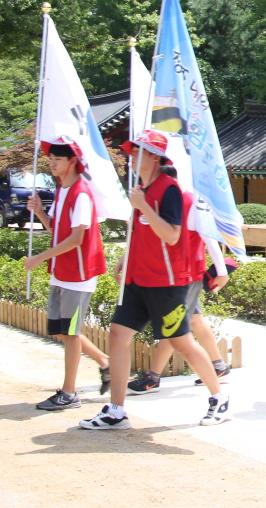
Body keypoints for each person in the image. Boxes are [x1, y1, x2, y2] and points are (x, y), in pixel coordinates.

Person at [80, 130, 229, 430]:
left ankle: (219, 397)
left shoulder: (170, 190)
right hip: (139, 279)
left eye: (138, 151)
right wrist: (125, 257)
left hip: (167, 282)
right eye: (131, 150)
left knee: (181, 343)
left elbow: (172, 235)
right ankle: (116, 410)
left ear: (155, 156)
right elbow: (140, 231)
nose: (131, 155)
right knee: (119, 335)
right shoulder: (141, 188)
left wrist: (144, 205)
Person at [128, 165, 234, 394]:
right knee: (193, 320)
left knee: (174, 325)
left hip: (186, 275)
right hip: (176, 275)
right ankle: (218, 366)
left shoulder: (187, 202)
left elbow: (208, 237)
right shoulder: (159, 201)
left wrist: (222, 271)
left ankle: (154, 376)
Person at [23, 138, 110, 411]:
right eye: (51, 160)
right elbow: (55, 230)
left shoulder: (81, 193)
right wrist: (39, 213)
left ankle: (70, 392)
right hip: (63, 271)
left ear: (72, 162)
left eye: (57, 160)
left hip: (79, 274)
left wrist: (39, 258)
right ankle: (105, 362)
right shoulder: (62, 191)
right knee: (63, 331)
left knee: (70, 332)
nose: (52, 164)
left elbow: (75, 239)